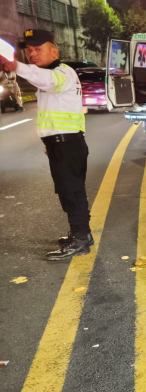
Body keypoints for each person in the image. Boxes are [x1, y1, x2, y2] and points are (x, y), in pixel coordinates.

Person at [0, 29, 92, 260]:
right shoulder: (50, 75)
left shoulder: (61, 73)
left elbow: (46, 80)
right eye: (29, 50)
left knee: (71, 192)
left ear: (54, 50)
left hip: (67, 145)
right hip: (61, 144)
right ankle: (82, 234)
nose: (32, 54)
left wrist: (16, 66)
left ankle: (81, 239)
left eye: (38, 49)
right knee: (68, 192)